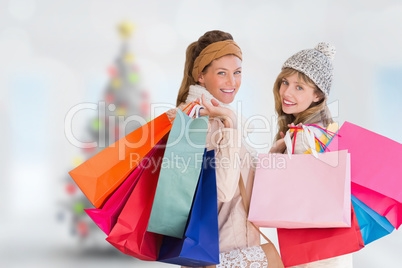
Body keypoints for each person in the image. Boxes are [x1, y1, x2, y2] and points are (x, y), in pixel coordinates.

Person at [166, 30, 262, 260]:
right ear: (201, 76)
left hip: (224, 249)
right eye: (222, 73)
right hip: (224, 252)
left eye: (237, 73)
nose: (232, 82)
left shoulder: (212, 118)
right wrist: (229, 123)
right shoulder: (204, 123)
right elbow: (223, 190)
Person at [269, 42, 353, 267]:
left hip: (309, 250)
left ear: (317, 95)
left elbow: (283, 194)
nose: (286, 92)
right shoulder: (328, 131)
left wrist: (274, 154)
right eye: (285, 82)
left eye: (299, 87)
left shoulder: (302, 136)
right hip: (334, 246)